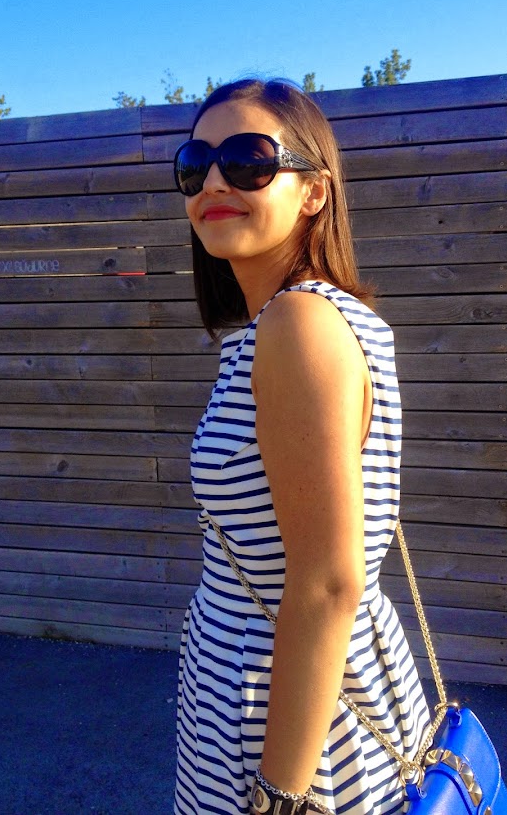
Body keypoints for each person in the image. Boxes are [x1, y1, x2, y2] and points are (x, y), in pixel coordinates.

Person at [172, 78, 430, 815]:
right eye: (194, 165)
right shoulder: (298, 324)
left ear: (315, 191)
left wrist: (280, 795)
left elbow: (327, 582)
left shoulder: (298, 325)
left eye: (248, 161)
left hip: (284, 713)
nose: (213, 182)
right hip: (282, 684)